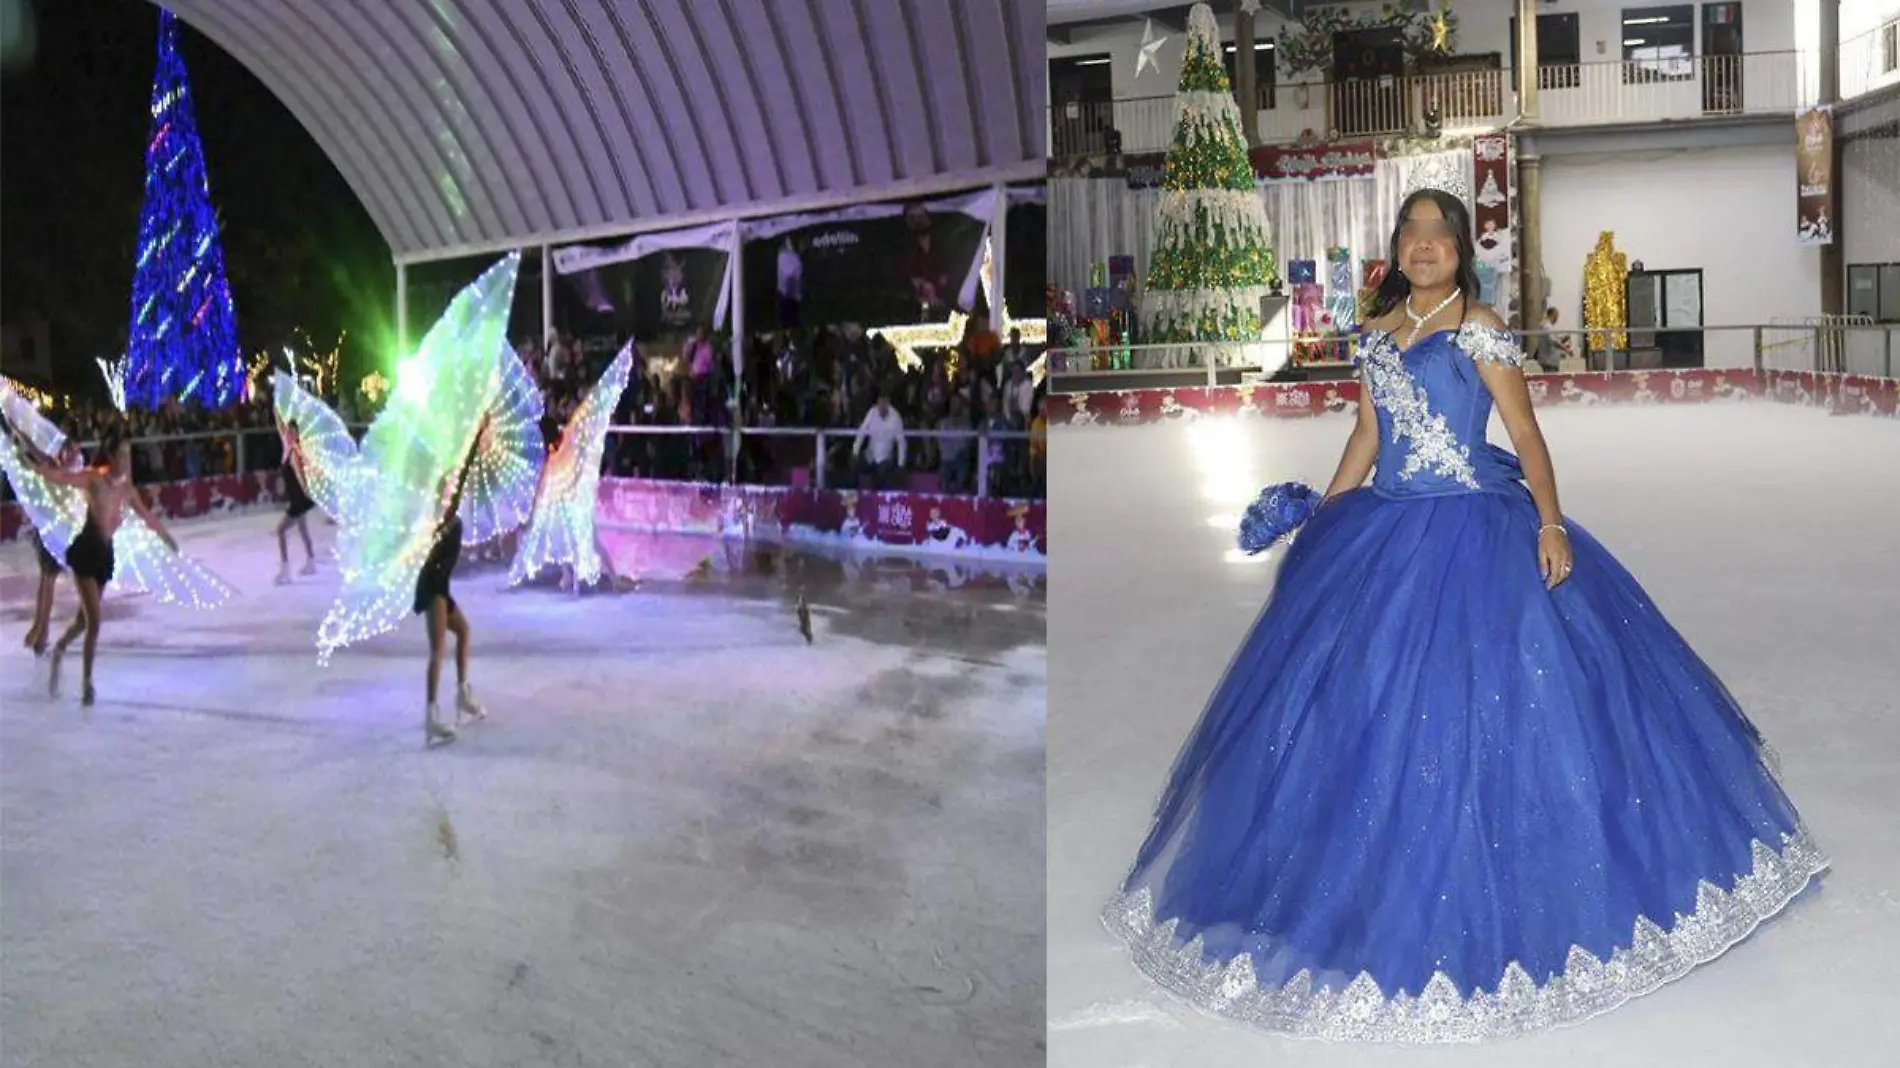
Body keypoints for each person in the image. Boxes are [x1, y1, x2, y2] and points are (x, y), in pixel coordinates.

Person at [1102, 184, 1824, 1042]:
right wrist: (1328, 518)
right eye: (1410, 234)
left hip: (1477, 531)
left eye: (1438, 234)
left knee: (1487, 706)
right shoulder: (1373, 338)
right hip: (1388, 530)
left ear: (1460, 251)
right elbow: (1368, 437)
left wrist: (1550, 522)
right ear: (1396, 249)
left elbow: (1523, 435)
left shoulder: (1478, 330)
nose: (1423, 245)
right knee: (1359, 707)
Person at [33, 427, 178, 706]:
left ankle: (60, 649)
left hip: (104, 556)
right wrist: (36, 468)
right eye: (122, 455)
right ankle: (87, 684)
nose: (126, 461)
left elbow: (146, 515)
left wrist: (166, 537)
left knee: (83, 622)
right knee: (95, 623)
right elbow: (62, 477)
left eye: (129, 455)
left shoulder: (125, 488)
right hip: (85, 553)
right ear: (111, 456)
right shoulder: (94, 479)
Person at [415, 420, 491, 747]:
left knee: (463, 632)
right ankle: (431, 715)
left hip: (441, 585)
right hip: (432, 586)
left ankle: (462, 694)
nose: (452, 484)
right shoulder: (442, 514)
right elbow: (462, 472)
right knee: (437, 651)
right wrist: (474, 434)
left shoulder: (444, 513)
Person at [20, 440, 83, 657]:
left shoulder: (71, 471)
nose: (69, 453)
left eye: (73, 450)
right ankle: (39, 626)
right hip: (47, 530)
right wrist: (21, 439)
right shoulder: (57, 466)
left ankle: (42, 630)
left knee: (48, 580)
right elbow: (39, 455)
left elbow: (44, 465)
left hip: (59, 533)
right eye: (67, 450)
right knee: (45, 580)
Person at [275, 420, 320, 584]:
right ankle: (311, 561)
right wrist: (276, 409)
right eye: (287, 431)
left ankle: (285, 571)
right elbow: (279, 426)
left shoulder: (294, 453)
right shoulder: (287, 449)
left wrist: (307, 492)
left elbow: (301, 476)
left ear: (297, 434)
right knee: (303, 528)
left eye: (292, 432)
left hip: (299, 499)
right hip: (298, 498)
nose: (288, 434)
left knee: (280, 531)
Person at [852, 390, 906, 492]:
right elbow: (862, 432)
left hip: (885, 457)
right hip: (870, 454)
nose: (880, 407)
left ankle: (876, 497)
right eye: (879, 404)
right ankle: (853, 492)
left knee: (881, 471)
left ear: (888, 404)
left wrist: (901, 464)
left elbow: (901, 442)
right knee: (854, 464)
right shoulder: (872, 412)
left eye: (883, 404)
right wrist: (855, 451)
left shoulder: (895, 417)